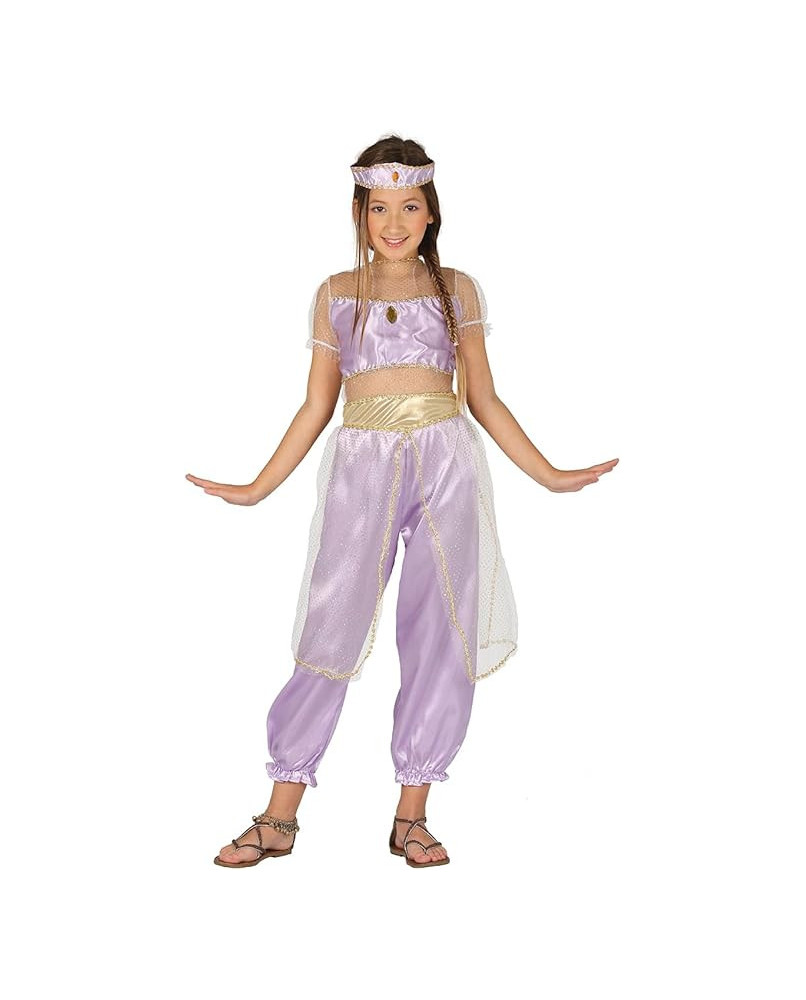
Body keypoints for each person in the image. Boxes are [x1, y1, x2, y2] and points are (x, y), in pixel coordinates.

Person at [186, 135, 618, 869]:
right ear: (358, 213)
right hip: (362, 465)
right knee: (332, 626)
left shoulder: (456, 290)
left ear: (431, 212)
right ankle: (280, 813)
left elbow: (482, 397)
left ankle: (412, 813)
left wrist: (547, 474)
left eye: (409, 207)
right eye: (379, 208)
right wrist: (259, 486)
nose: (394, 223)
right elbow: (317, 406)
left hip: (446, 462)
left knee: (441, 627)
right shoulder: (337, 294)